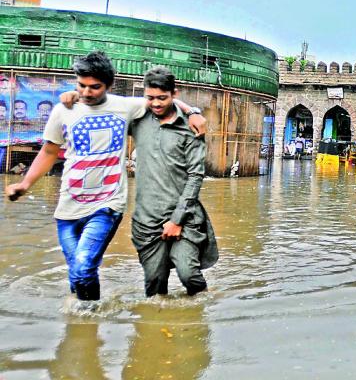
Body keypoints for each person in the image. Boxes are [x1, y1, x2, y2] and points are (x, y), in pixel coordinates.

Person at [4, 51, 206, 303]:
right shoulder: (63, 110)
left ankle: (89, 317)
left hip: (107, 205)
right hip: (68, 205)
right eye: (82, 86)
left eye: (95, 87)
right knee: (77, 272)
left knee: (84, 266)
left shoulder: (125, 107)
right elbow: (49, 151)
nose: (87, 92)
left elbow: (163, 100)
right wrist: (25, 184)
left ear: (109, 86)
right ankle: (83, 323)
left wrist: (193, 111)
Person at [128, 67, 217, 297]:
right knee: (155, 284)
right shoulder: (137, 119)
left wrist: (177, 220)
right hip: (147, 220)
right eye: (150, 98)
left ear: (174, 94)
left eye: (162, 98)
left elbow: (196, 176)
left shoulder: (191, 127)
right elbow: (105, 103)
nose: (156, 103)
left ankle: (202, 312)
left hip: (185, 218)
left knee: (189, 274)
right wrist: (75, 98)